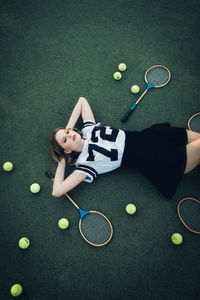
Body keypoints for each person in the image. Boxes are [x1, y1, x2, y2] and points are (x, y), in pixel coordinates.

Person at [48, 97, 200, 198]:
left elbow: (82, 101)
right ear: (67, 150)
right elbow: (57, 191)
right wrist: (62, 161)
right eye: (65, 139)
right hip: (156, 158)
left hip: (155, 136)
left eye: (68, 132)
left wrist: (69, 126)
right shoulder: (85, 165)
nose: (70, 134)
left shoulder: (89, 129)